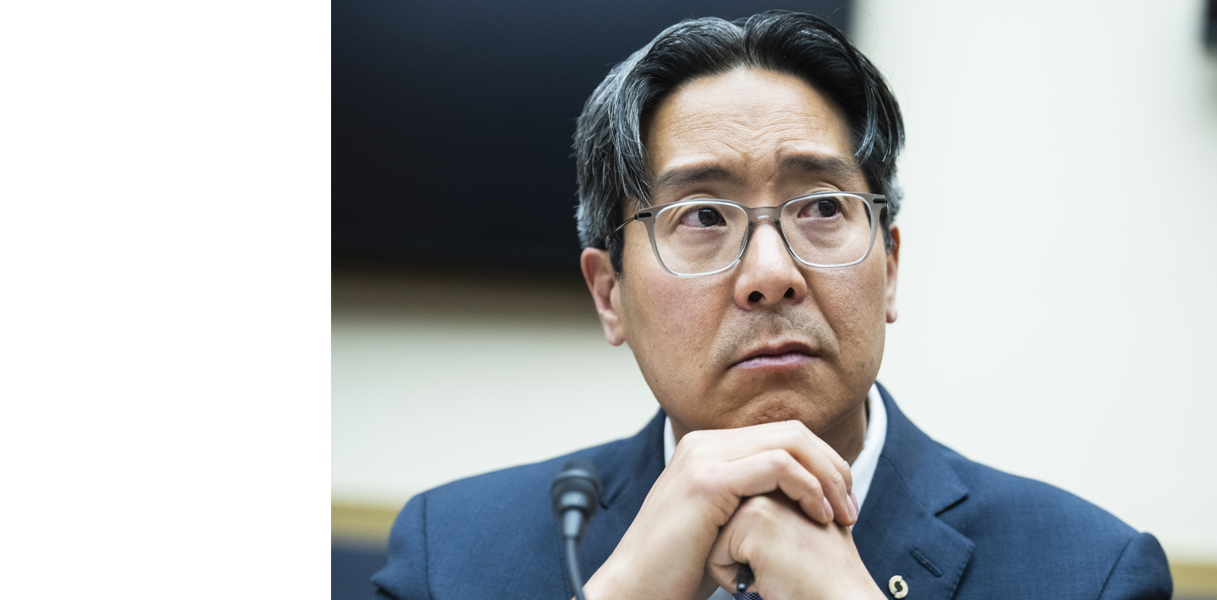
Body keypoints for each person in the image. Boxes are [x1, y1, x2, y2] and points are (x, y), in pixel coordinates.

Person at [373, 11, 1172, 600]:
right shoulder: (452, 557)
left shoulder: (1090, 574)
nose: (770, 273)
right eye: (702, 218)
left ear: (889, 267)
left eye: (821, 209)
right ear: (609, 294)